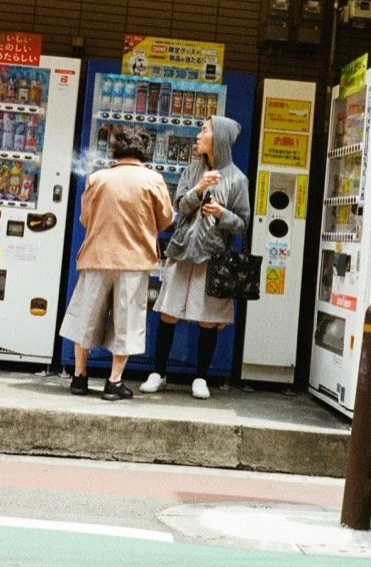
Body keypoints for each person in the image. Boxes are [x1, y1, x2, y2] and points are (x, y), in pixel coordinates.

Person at [60, 125, 174, 400]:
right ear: (144, 151)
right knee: (128, 321)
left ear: (116, 150)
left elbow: (85, 218)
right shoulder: (153, 180)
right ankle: (114, 382)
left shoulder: (97, 178)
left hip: (96, 257)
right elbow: (167, 219)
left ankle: (79, 376)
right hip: (133, 260)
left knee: (86, 318)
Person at [140, 115, 250, 399]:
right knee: (168, 312)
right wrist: (198, 189)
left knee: (208, 319)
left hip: (213, 257)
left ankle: (201, 376)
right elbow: (178, 206)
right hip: (182, 250)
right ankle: (158, 372)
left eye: (204, 131)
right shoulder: (192, 171)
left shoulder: (238, 179)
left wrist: (222, 214)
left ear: (220, 138)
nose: (198, 136)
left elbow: (243, 223)